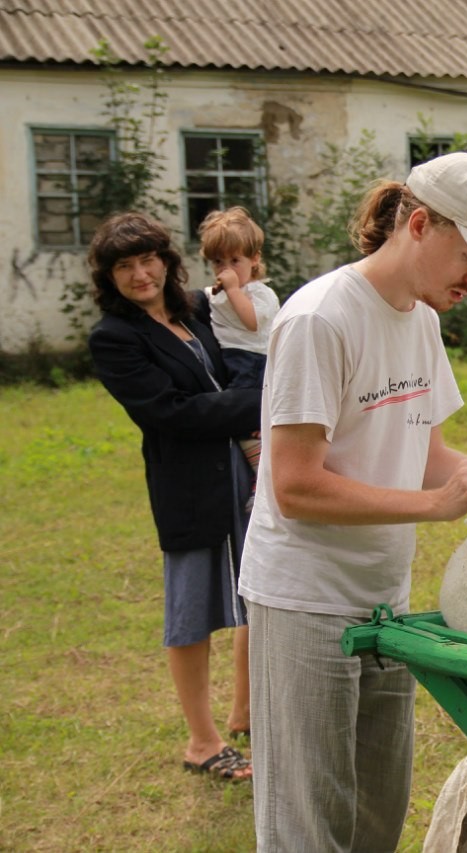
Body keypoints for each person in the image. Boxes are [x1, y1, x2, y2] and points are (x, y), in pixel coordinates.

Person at [238, 151, 467, 852]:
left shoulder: (420, 323)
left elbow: (429, 453)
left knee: (376, 817)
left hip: (383, 602)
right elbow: (295, 485)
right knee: (310, 826)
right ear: (420, 224)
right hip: (305, 601)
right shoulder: (319, 319)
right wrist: (435, 506)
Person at [87, 211, 258, 781]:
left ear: (165, 260)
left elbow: (235, 359)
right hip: (187, 486)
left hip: (239, 471)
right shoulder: (115, 338)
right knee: (192, 612)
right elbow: (171, 414)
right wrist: (263, 399)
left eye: (147, 260)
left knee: (254, 595)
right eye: (125, 267)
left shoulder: (195, 309)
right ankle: (201, 744)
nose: (140, 275)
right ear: (109, 277)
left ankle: (243, 713)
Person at [197, 206, 280, 489]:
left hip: (253, 360)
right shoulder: (217, 294)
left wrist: (233, 290)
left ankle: (262, 475)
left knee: (245, 418)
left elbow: (252, 322)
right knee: (245, 419)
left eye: (235, 261)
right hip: (232, 359)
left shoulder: (259, 293)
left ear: (254, 259)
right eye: (219, 262)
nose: (226, 270)